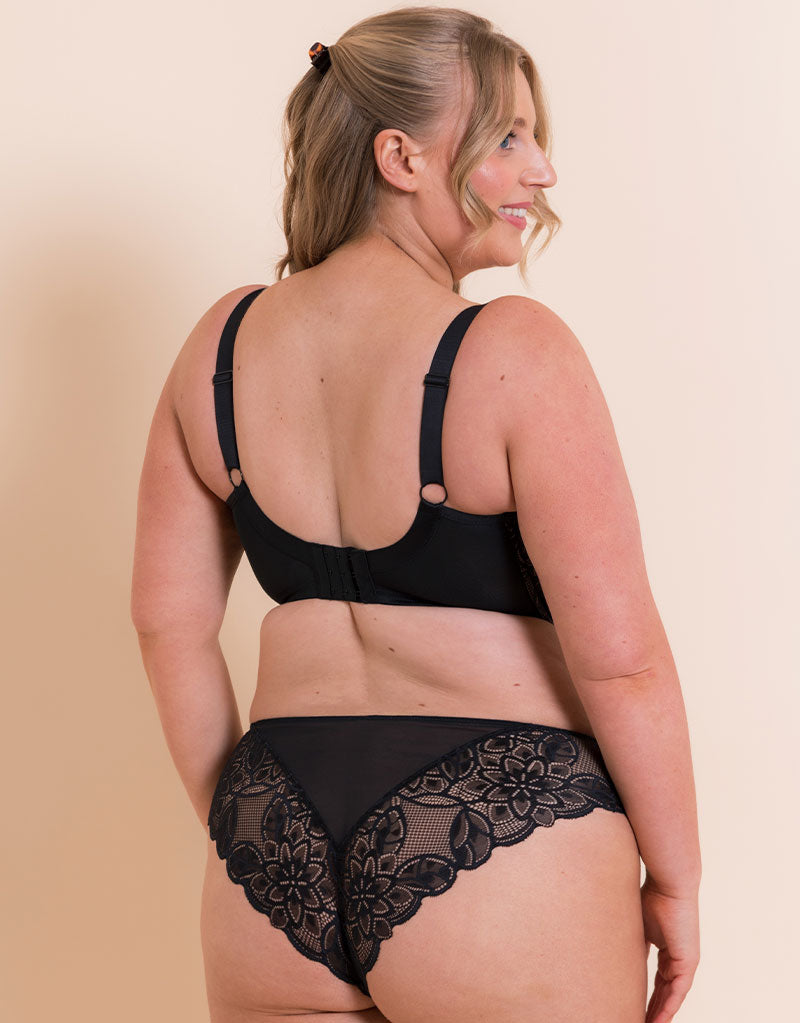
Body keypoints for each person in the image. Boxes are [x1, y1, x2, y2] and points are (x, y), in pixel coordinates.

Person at [130, 7, 701, 1023]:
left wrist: (246, 829)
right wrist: (676, 877)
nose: (542, 171)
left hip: (272, 824)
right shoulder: (515, 350)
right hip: (503, 825)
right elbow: (622, 661)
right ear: (400, 157)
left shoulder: (218, 346)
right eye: (508, 137)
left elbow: (166, 625)